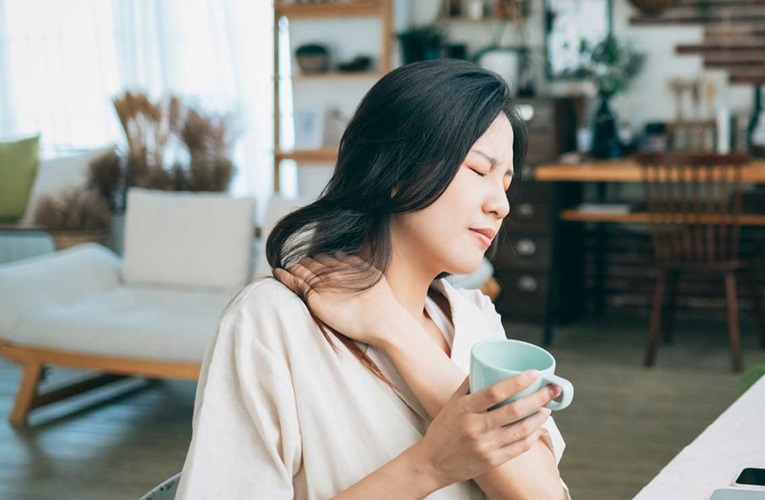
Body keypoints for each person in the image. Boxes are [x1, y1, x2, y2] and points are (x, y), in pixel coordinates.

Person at [176, 59, 568, 499]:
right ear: (397, 171)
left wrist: (396, 332)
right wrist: (429, 466)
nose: (502, 205)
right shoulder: (272, 323)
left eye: (507, 182)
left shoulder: (475, 320)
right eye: (478, 170)